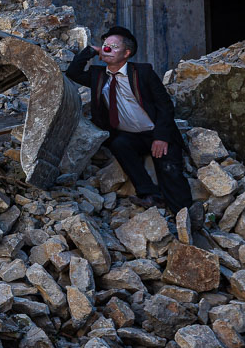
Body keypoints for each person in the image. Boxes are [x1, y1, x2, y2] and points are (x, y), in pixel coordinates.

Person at [65, 25, 209, 244]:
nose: (107, 48)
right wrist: (91, 51)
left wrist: (161, 136)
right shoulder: (98, 76)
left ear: (126, 53)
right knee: (119, 144)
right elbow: (73, 73)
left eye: (114, 46)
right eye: (106, 44)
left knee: (169, 172)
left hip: (156, 133)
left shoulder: (141, 72)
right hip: (129, 136)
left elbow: (164, 106)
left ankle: (186, 221)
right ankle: (150, 195)